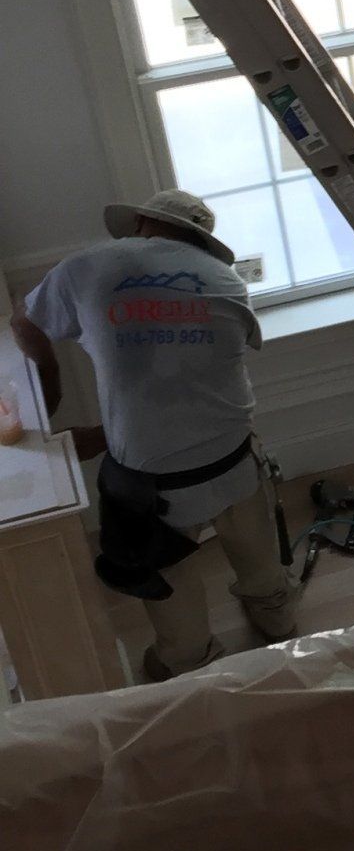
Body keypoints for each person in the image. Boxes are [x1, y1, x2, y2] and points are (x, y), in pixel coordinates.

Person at [10, 189, 299, 681]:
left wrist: (53, 384)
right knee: (260, 560)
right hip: (233, 458)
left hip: (152, 487)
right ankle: (276, 617)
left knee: (172, 597)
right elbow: (192, 379)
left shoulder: (88, 264)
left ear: (142, 221)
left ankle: (191, 659)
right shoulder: (226, 279)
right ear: (201, 242)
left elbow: (24, 321)